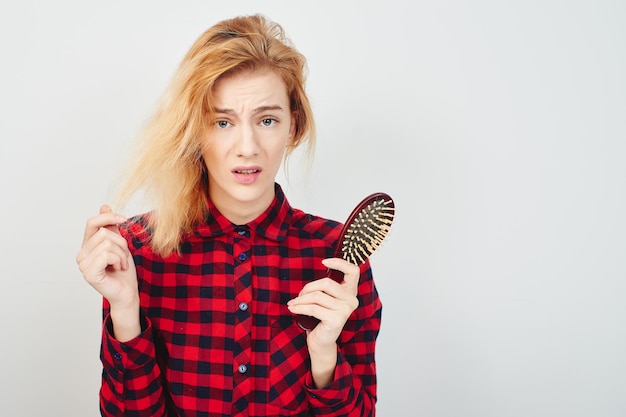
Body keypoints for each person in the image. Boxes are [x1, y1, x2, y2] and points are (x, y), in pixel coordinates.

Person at [76, 14, 382, 417]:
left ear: (294, 126)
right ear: (195, 131)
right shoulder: (137, 253)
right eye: (223, 122)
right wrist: (126, 310)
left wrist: (323, 353)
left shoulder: (337, 259)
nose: (247, 147)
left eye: (267, 120)